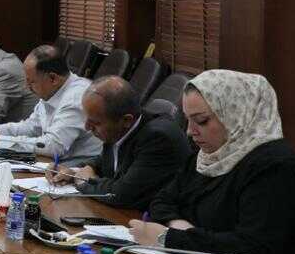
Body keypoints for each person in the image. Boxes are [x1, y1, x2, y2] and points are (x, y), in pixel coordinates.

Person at [130, 70, 295, 254]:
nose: (190, 131)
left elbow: (251, 248)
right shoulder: (208, 156)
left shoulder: (276, 167)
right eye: (188, 120)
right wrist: (179, 226)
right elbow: (162, 200)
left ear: (237, 114)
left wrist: (169, 238)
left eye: (202, 121)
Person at [46, 76, 191, 210]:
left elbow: (121, 194)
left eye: (95, 123)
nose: (87, 127)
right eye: (87, 119)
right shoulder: (118, 129)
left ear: (126, 120)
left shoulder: (158, 139)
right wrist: (74, 171)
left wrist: (84, 180)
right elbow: (104, 161)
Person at [0, 44, 102, 163]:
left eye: (31, 82)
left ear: (53, 78)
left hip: (80, 165)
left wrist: (0, 141)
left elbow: (53, 146)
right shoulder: (52, 89)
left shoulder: (76, 98)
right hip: (57, 160)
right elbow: (32, 127)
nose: (27, 88)